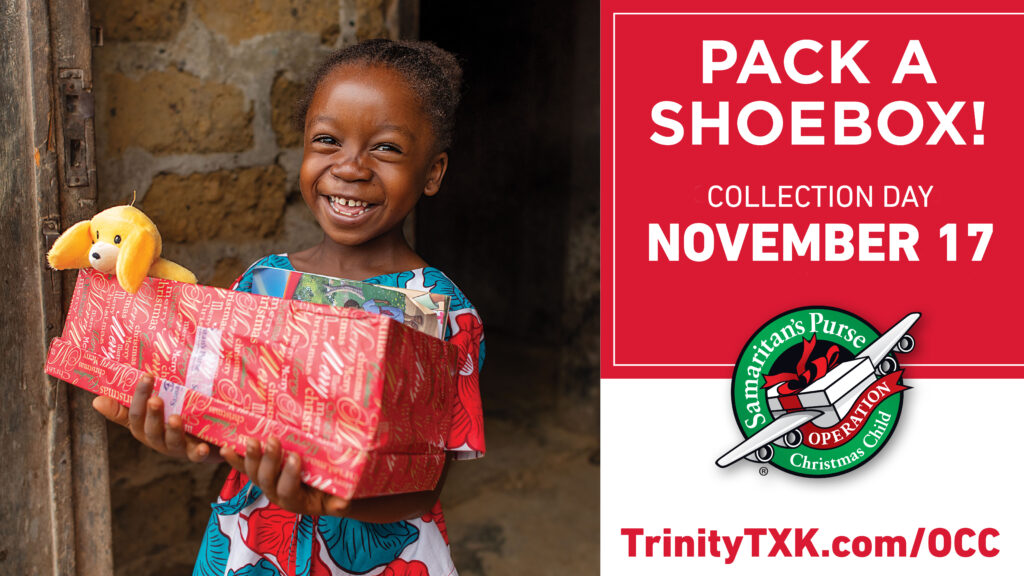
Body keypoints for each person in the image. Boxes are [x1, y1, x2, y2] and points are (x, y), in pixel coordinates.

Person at [92, 39, 486, 576]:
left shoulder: (443, 313)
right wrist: (182, 436)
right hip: (254, 547)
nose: (350, 168)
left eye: (386, 148)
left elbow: (425, 486)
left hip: (381, 558)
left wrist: (328, 504)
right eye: (327, 140)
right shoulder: (262, 283)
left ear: (433, 171)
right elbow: (220, 415)